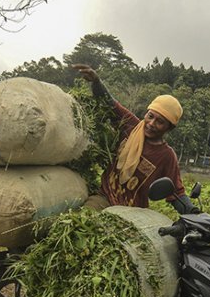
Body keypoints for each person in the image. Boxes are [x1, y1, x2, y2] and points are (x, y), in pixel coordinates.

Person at [73, 64, 198, 214]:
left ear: (168, 128)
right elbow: (110, 103)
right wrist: (96, 81)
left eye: (160, 122)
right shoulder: (130, 125)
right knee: (83, 219)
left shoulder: (166, 156)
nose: (151, 124)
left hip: (132, 213)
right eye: (150, 116)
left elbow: (176, 192)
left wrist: (193, 213)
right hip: (104, 198)